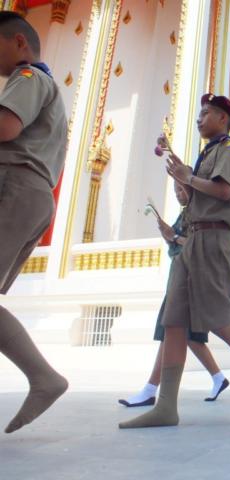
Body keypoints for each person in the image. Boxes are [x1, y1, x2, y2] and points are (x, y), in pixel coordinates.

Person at [119, 94, 230, 429]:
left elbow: (223, 191)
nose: (200, 118)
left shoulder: (229, 150)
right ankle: (166, 406)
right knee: (174, 321)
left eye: (207, 113)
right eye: (199, 114)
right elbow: (192, 193)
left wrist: (188, 176)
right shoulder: (207, 153)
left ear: (223, 119)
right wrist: (176, 164)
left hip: (214, 239)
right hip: (192, 240)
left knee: (221, 321)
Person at [0, 12, 68, 434]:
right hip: (29, 191)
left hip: (16, 186)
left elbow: (6, 126)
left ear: (19, 43)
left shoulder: (28, 77)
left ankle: (44, 377)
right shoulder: (42, 84)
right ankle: (44, 377)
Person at [118, 181, 229, 408]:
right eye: (175, 190)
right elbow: (179, 244)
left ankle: (151, 389)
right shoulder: (185, 214)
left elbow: (199, 245)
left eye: (181, 189)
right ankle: (218, 377)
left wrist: (175, 237)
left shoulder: (199, 213)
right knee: (185, 334)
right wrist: (169, 235)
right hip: (180, 272)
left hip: (189, 276)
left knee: (171, 329)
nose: (178, 194)